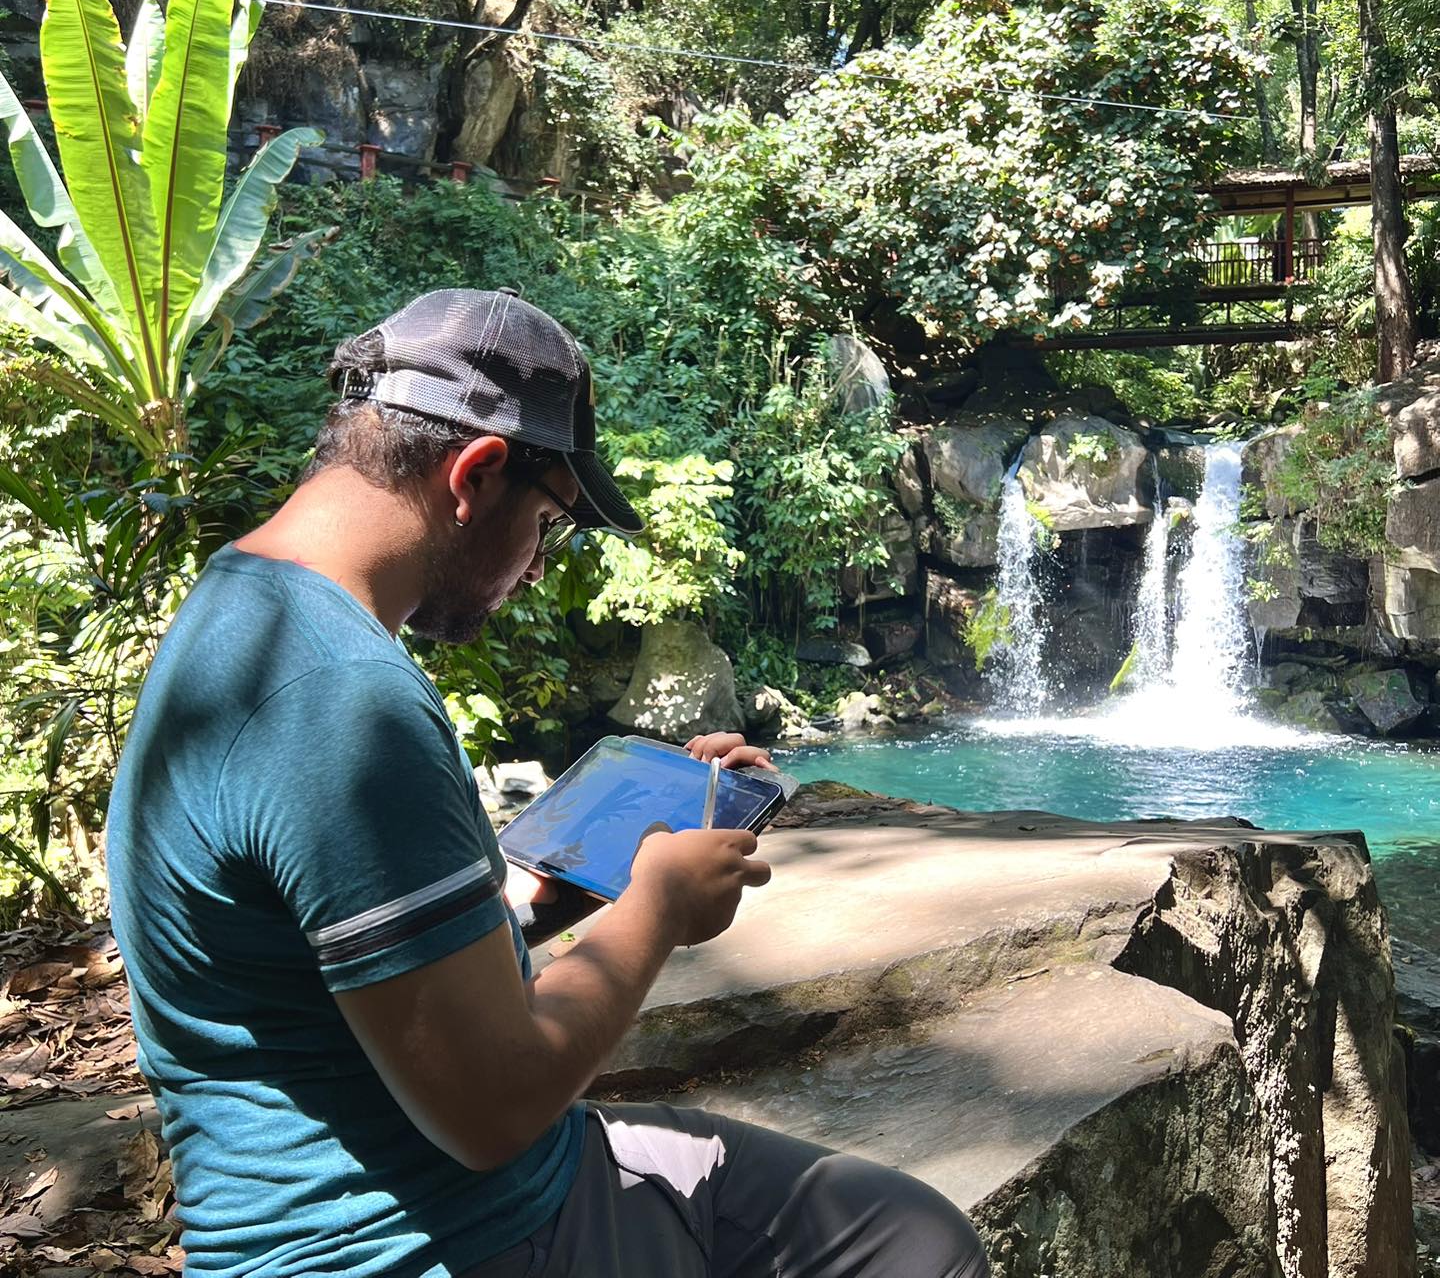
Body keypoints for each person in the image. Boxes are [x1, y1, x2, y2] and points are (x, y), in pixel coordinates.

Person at [106, 288, 989, 1278]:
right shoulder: (344, 701)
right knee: (915, 1251)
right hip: (432, 1237)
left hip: (402, 1208)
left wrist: (587, 869)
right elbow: (495, 1107)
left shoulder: (244, 610)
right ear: (477, 476)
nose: (535, 568)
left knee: (902, 1229)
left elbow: (372, 964)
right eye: (552, 523)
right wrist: (656, 907)